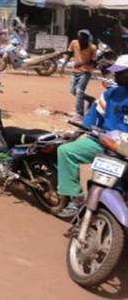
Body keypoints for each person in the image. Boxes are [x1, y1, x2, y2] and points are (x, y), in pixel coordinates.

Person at [56, 55, 128, 218]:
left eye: (121, 72)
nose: (115, 76)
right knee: (66, 151)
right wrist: (78, 133)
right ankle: (76, 198)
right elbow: (92, 117)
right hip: (105, 143)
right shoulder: (110, 94)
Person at [61, 29, 97, 120]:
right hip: (75, 71)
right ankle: (90, 99)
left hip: (85, 72)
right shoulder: (74, 43)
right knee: (73, 91)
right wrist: (63, 66)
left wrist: (81, 64)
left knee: (79, 91)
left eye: (83, 39)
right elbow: (69, 54)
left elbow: (93, 61)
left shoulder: (92, 47)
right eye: (79, 38)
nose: (81, 40)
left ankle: (79, 114)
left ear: (87, 39)